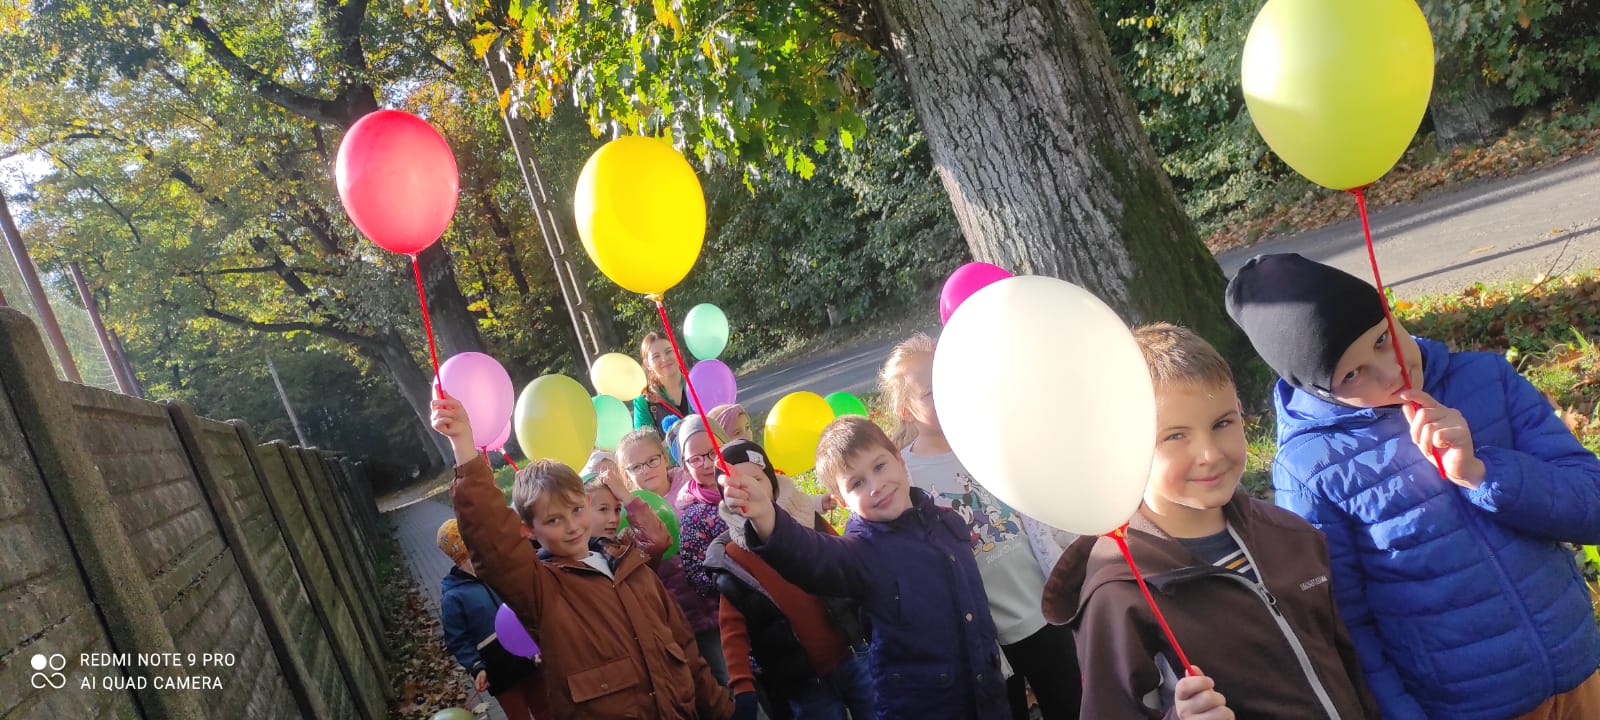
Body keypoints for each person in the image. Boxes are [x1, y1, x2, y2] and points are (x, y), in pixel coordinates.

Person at [1226, 252, 1600, 720]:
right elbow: (1348, 626)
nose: (1393, 371)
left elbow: (1592, 505)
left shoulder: (1485, 380)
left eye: (1383, 339)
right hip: (1470, 708)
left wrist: (1481, 473)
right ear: (1321, 390)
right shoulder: (1310, 470)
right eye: (1351, 374)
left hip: (1581, 668)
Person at [1043, 322, 1380, 719]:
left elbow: (1344, 664)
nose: (1209, 454)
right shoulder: (1119, 594)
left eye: (1222, 423)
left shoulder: (1291, 537)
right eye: (1175, 436)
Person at [431, 396, 732, 719]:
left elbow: (685, 648)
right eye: (553, 520)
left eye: (576, 510)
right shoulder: (543, 589)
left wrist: (723, 711)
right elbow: (493, 543)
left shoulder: (632, 565)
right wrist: (464, 446)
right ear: (528, 531)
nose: (572, 527)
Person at [721, 415, 1010, 720]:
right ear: (842, 501)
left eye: (880, 466)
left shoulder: (946, 521)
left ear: (899, 460)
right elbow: (812, 556)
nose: (876, 486)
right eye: (857, 483)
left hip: (986, 698)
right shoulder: (860, 552)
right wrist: (767, 517)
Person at [878, 333, 1080, 720]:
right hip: (985, 639)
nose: (948, 393)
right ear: (905, 409)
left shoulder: (989, 439)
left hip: (1043, 613)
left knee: (1071, 707)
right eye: (931, 392)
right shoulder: (905, 473)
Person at [703, 438, 876, 720]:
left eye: (757, 479)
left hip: (852, 654)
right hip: (802, 681)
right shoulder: (732, 559)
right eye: (737, 486)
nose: (750, 490)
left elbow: (845, 565)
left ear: (771, 479)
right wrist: (741, 683)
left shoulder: (806, 519)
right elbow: (731, 628)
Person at [436, 519, 546, 719]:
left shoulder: (496, 573)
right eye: (471, 554)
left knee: (546, 709)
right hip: (499, 671)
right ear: (460, 557)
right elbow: (458, 640)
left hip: (529, 661)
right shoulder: (453, 598)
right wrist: (477, 667)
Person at [670, 413, 733, 686]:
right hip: (731, 609)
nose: (707, 464)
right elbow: (698, 574)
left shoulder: (753, 484)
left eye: (712, 452)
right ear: (684, 466)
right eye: (696, 459)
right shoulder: (693, 516)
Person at [635, 332, 693, 433]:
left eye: (669, 351)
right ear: (647, 364)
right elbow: (646, 446)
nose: (664, 359)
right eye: (656, 356)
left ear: (677, 353)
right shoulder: (644, 403)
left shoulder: (698, 384)